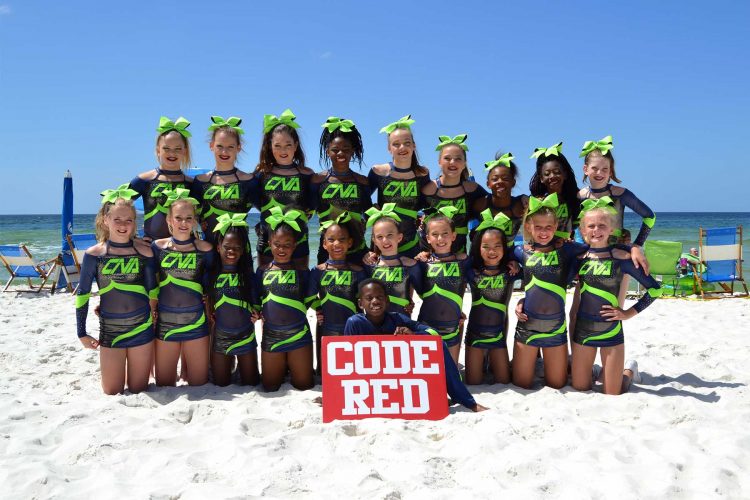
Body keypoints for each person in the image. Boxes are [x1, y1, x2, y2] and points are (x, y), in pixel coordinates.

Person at [344, 279, 487, 412]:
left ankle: (465, 400)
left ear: (387, 301)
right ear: (360, 304)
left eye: (380, 297)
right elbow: (347, 362)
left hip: (398, 376)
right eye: (369, 298)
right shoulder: (355, 322)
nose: (375, 301)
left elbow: (433, 334)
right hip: (370, 379)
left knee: (439, 345)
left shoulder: (397, 318)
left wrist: (413, 335)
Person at [571, 198, 661, 395]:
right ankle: (595, 370)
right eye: (591, 226)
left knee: (613, 392)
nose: (596, 230)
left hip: (611, 332)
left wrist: (628, 313)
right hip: (583, 331)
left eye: (602, 225)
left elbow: (655, 290)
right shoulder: (578, 258)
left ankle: (629, 371)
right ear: (583, 230)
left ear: (611, 229)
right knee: (580, 388)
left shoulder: (621, 259)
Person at [76, 191, 156, 394]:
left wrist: (154, 316)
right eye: (117, 219)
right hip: (111, 330)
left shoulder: (144, 252)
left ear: (134, 223)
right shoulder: (94, 255)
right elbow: (83, 295)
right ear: (105, 220)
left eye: (128, 220)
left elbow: (153, 291)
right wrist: (82, 333)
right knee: (112, 391)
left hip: (142, 328)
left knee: (139, 390)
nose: (123, 225)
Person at [512, 194, 588, 389]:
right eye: (538, 227)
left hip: (556, 327)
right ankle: (533, 363)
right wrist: (520, 300)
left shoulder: (566, 250)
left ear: (556, 228)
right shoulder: (521, 251)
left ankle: (627, 370)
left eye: (548, 227)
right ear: (528, 227)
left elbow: (595, 246)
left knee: (557, 384)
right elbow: (493, 260)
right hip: (527, 326)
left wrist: (631, 247)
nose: (543, 232)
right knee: (521, 384)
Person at [577, 136, 654, 303]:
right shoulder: (580, 196)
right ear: (585, 169)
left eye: (605, 169)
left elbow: (650, 217)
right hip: (591, 254)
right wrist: (580, 246)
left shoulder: (620, 193)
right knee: (583, 303)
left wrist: (636, 245)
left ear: (611, 171)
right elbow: (576, 224)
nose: (600, 173)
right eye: (595, 168)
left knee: (616, 306)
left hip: (619, 252)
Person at [152, 188, 214, 386]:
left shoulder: (205, 249)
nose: (184, 223)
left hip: (196, 323)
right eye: (178, 218)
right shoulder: (157, 247)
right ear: (169, 220)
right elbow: (147, 283)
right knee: (164, 384)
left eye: (189, 218)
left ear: (195, 220)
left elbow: (212, 286)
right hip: (165, 325)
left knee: (199, 383)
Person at [255, 206, 316, 391]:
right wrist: (255, 313)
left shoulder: (303, 272)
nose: (281, 249)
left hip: (299, 335)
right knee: (270, 386)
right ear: (269, 244)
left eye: (287, 245)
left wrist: (319, 310)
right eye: (277, 244)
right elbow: (256, 301)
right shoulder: (262, 271)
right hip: (272, 336)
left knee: (304, 385)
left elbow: (312, 299)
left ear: (295, 246)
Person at [254, 109, 314, 267]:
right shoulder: (261, 173)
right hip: (268, 238)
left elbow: (314, 201)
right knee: (266, 286)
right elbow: (251, 199)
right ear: (270, 146)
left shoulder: (306, 174)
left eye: (288, 145)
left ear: (296, 145)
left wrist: (308, 211)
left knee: (299, 285)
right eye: (278, 145)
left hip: (299, 239)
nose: (283, 150)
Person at [309, 213, 368, 373]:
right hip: (326, 327)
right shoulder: (317, 271)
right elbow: (308, 297)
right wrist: (318, 308)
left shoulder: (358, 271)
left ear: (350, 243)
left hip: (353, 328)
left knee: (354, 369)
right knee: (325, 372)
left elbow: (366, 299)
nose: (337, 244)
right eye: (331, 239)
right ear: (324, 244)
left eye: (342, 240)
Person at [207, 213, 260, 386]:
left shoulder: (248, 276)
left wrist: (256, 314)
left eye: (237, 247)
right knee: (220, 383)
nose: (232, 251)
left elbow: (256, 303)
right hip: (221, 337)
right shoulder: (211, 275)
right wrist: (209, 313)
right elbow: (206, 298)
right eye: (227, 246)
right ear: (218, 247)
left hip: (245, 336)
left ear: (244, 249)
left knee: (251, 382)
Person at [464, 209, 515, 385]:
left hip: (498, 337)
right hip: (474, 336)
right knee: (473, 382)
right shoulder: (472, 271)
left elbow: (536, 282)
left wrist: (522, 302)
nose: (491, 251)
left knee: (504, 381)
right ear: (478, 248)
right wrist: (426, 254)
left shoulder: (510, 272)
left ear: (504, 247)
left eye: (497, 246)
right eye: (485, 247)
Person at [311, 117, 371, 264]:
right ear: (327, 151)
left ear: (352, 151)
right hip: (328, 251)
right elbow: (306, 211)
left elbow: (371, 216)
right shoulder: (318, 180)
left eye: (345, 149)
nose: (340, 153)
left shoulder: (361, 181)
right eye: (335, 150)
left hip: (358, 250)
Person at [368, 115, 430, 258]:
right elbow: (363, 203)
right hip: (383, 244)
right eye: (396, 144)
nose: (402, 147)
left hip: (412, 244)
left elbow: (427, 204)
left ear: (414, 145)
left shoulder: (422, 173)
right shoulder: (379, 171)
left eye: (407, 143)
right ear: (389, 148)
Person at [416, 206, 470, 365]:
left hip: (453, 326)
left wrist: (513, 264)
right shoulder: (421, 263)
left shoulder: (464, 261)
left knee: (451, 374)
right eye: (435, 234)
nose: (440, 239)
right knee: (429, 373)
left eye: (445, 233)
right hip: (426, 325)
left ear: (453, 236)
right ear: (427, 238)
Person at [192, 116, 257, 244]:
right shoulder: (200, 181)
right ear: (211, 146)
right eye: (219, 146)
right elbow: (189, 215)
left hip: (239, 250)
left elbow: (268, 211)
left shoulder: (249, 181)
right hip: (208, 249)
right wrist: (197, 221)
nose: (224, 151)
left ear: (238, 147)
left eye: (230, 147)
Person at [129, 116, 194, 241]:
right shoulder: (144, 180)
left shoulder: (191, 183)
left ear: (185, 151)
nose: (172, 153)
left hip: (183, 248)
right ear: (158, 150)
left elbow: (202, 216)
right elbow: (116, 208)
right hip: (152, 248)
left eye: (177, 149)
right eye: (166, 148)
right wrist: (132, 238)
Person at [421, 134, 487, 254]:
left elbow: (495, 205)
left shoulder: (472, 189)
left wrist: (521, 199)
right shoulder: (429, 189)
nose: (452, 162)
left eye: (458, 159)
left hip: (460, 254)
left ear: (464, 163)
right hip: (430, 255)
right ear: (439, 162)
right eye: (447, 158)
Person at [364, 204, 422, 316]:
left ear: (399, 237)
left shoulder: (411, 265)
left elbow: (424, 294)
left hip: (401, 326)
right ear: (374, 240)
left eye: (390, 235)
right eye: (380, 237)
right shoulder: (369, 264)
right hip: (375, 326)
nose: (385, 240)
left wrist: (410, 301)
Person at [472, 152, 528, 244]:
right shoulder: (481, 204)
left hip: (510, 253)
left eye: (505, 179)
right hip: (486, 253)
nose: (500, 182)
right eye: (495, 179)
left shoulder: (521, 206)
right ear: (488, 184)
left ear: (513, 182)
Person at [529, 142, 580, 240]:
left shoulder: (576, 198)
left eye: (557, 172)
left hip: (569, 247)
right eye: (547, 174)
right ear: (541, 178)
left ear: (565, 174)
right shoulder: (537, 202)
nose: (552, 176)